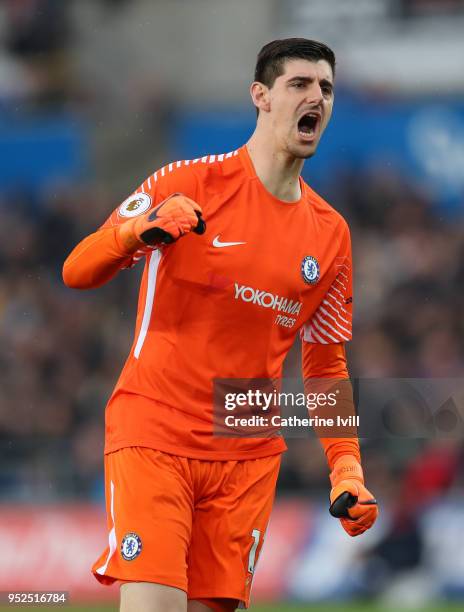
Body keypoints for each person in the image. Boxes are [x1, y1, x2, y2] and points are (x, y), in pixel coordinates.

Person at [63, 38, 378, 612]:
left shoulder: (331, 234)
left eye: (327, 88)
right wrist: (138, 231)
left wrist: (346, 467)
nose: (317, 98)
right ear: (260, 96)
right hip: (154, 428)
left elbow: (326, 366)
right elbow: (77, 270)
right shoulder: (187, 181)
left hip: (248, 449)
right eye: (300, 85)